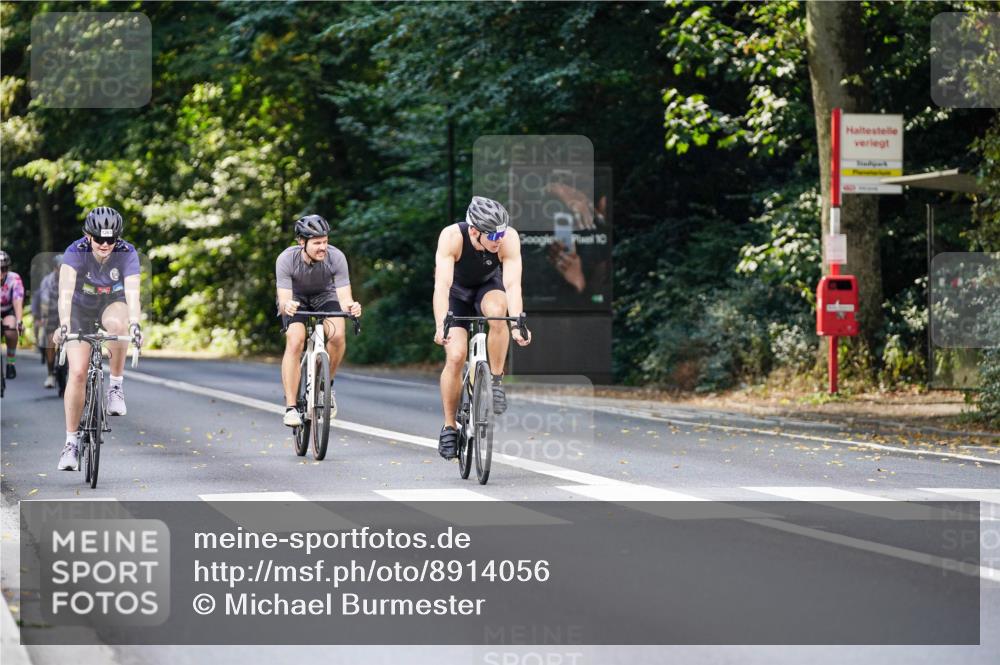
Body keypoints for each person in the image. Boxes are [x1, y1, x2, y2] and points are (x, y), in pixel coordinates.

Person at [432, 196, 532, 460]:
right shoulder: (452, 237)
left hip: (488, 287)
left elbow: (512, 285)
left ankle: (496, 381)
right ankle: (450, 426)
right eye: (494, 234)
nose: (500, 238)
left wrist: (517, 323)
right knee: (455, 356)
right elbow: (441, 285)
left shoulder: (508, 238)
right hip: (457, 294)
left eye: (502, 231)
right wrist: (441, 323)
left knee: (499, 315)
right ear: (474, 231)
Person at [54, 207, 143, 471]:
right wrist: (64, 324)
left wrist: (136, 324)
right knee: (78, 372)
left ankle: (115, 385)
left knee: (119, 324)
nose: (105, 245)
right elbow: (65, 293)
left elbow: (133, 293)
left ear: (118, 239)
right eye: (99, 239)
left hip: (111, 304)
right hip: (80, 309)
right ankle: (70, 443)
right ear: (88, 236)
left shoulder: (127, 253)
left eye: (110, 240)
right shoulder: (75, 252)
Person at [275, 214, 362, 427]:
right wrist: (288, 306)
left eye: (325, 241)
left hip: (325, 296)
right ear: (301, 243)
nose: (323, 247)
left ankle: (326, 387)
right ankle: (291, 407)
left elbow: (344, 298)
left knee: (338, 335)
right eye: (317, 243)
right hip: (296, 298)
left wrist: (352, 306)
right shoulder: (286, 259)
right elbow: (285, 299)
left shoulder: (337, 257)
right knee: (295, 340)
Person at [36, 254, 63, 388]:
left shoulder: (73, 278)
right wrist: (44, 318)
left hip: (68, 310)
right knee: (51, 340)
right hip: (52, 310)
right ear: (55, 268)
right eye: (60, 268)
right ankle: (50, 374)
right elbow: (45, 303)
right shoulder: (47, 281)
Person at [0, 250, 25, 380]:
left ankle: (11, 362)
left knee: (10, 330)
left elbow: (17, 300)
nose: (0, 273)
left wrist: (19, 321)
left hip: (8, 309)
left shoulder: (14, 278)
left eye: (3, 269)